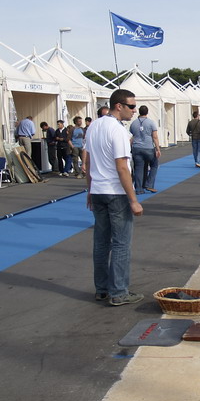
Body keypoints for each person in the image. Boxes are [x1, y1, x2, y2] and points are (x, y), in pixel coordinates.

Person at [84, 88, 144, 306]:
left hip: (98, 191)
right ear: (119, 106)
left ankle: (101, 288)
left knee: (101, 242)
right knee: (120, 243)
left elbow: (88, 162)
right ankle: (119, 292)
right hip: (115, 192)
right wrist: (134, 199)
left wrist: (90, 190)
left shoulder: (94, 126)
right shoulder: (117, 130)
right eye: (131, 106)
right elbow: (122, 167)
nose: (134, 111)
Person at [129, 105, 160, 194]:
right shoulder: (151, 123)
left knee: (139, 168)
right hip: (148, 147)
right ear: (147, 112)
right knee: (154, 165)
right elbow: (155, 137)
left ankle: (138, 188)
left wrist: (129, 148)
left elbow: (132, 136)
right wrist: (157, 149)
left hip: (136, 147)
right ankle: (149, 184)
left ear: (139, 112)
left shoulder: (134, 123)